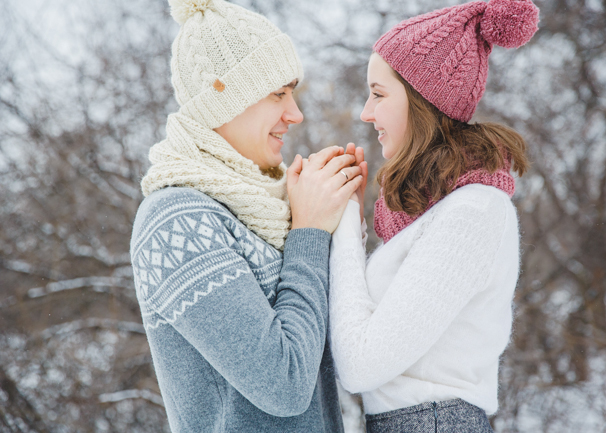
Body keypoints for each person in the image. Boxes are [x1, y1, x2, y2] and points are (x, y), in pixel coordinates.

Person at [129, 0, 362, 431]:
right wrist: (309, 232)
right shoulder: (176, 220)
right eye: (278, 93)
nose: (296, 113)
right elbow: (285, 384)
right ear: (224, 98)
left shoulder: (268, 210)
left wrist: (341, 222)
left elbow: (341, 356)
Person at [327, 0, 540, 431]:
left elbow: (360, 366)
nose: (367, 113)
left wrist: (345, 226)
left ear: (422, 100)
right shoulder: (435, 210)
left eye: (379, 93)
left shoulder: (473, 211)